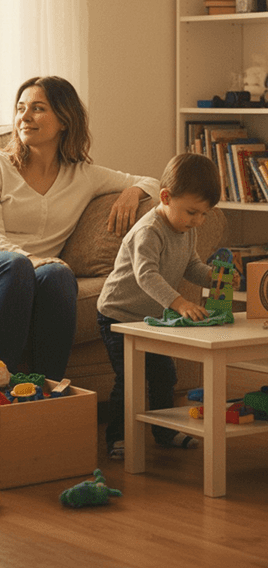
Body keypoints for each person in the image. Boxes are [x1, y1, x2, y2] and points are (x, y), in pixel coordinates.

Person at [0, 75, 160, 381]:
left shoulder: (83, 175)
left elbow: (152, 182)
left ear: (64, 120)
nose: (24, 116)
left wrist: (133, 193)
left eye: (37, 108)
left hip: (28, 270)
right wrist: (31, 259)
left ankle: (46, 390)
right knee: (16, 265)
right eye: (21, 108)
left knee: (59, 275)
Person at [97, 152, 223, 459]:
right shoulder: (149, 230)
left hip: (150, 318)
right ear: (165, 197)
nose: (198, 221)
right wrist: (178, 302)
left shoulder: (186, 230)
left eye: (204, 215)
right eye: (193, 213)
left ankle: (164, 432)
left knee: (165, 376)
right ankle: (117, 438)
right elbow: (146, 275)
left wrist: (215, 278)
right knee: (129, 379)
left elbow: (190, 265)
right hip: (118, 316)